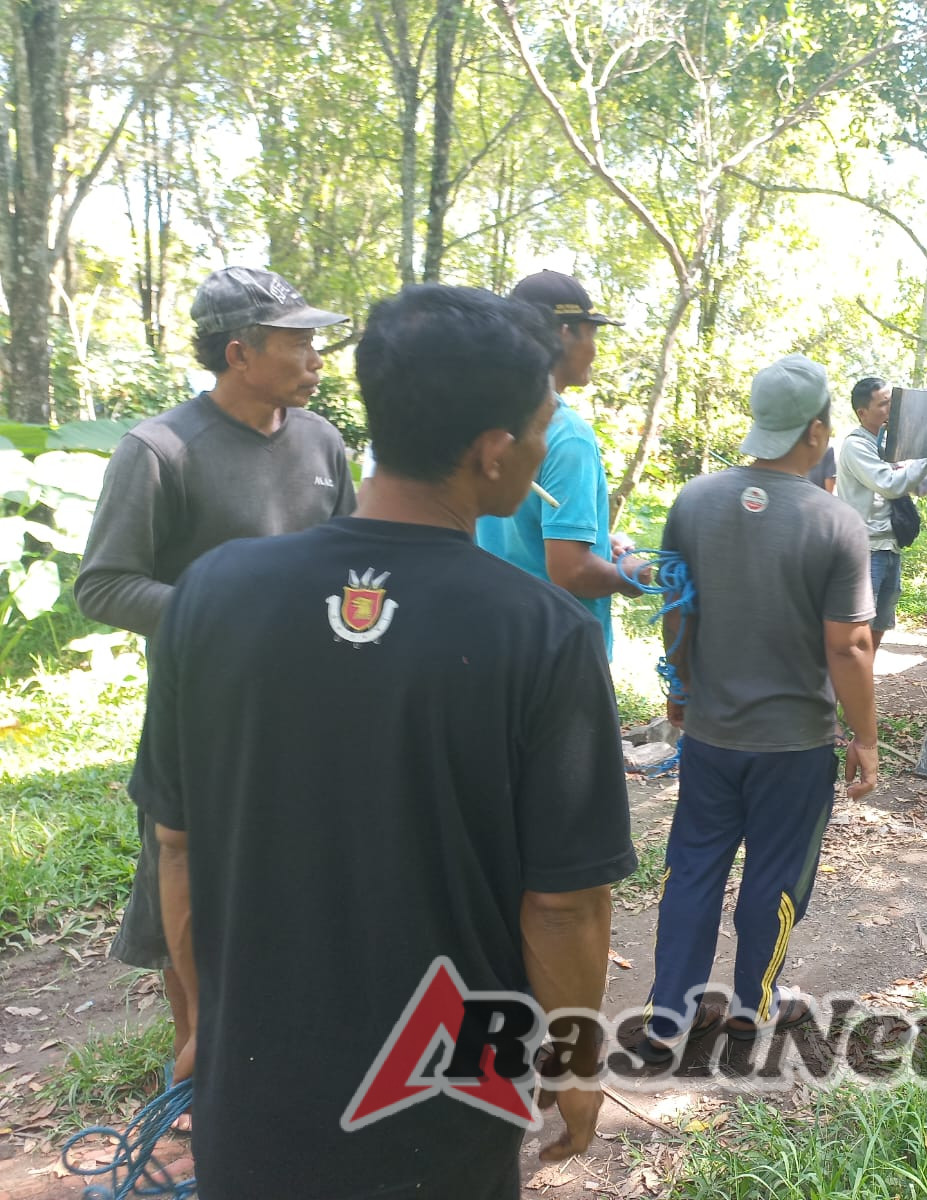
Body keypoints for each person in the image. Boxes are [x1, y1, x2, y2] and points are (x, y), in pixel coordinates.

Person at [141, 285, 636, 1197]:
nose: (541, 452)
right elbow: (564, 905)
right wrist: (574, 1068)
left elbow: (178, 845)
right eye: (538, 432)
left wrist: (205, 1022)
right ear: (493, 452)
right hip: (442, 1089)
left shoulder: (212, 592)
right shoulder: (541, 632)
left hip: (254, 1086)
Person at [74, 265, 356, 1097]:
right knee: (190, 883)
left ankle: (295, 1052)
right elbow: (103, 585)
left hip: (310, 715)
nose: (316, 357)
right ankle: (199, 1067)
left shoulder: (322, 442)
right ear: (239, 353)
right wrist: (232, 612)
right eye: (298, 342)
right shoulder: (160, 451)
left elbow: (349, 560)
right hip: (202, 717)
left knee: (302, 881)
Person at [638, 354, 878, 1060]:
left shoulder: (693, 503)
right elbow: (850, 646)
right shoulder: (836, 522)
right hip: (794, 747)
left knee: (693, 871)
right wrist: (865, 737)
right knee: (774, 881)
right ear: (817, 431)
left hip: (712, 737)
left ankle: (666, 1020)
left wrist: (680, 693)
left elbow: (677, 611)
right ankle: (750, 1009)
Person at [476, 269, 651, 659]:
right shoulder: (567, 433)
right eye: (592, 333)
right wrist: (632, 574)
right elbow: (570, 571)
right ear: (565, 333)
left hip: (492, 641)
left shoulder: (485, 418)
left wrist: (600, 543)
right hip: (557, 655)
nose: (595, 349)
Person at [835, 376, 927, 656]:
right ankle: (841, 680)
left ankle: (864, 675)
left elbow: (919, 484)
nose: (892, 408)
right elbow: (891, 485)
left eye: (894, 401)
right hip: (866, 550)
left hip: (890, 547)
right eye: (884, 404)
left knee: (880, 624)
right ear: (862, 412)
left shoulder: (889, 445)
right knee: (857, 627)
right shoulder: (856, 446)